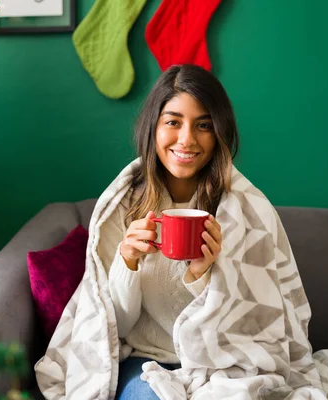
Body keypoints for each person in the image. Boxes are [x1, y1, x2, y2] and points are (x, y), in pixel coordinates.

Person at [96, 64, 239, 399]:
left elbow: (249, 323)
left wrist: (202, 274)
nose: (186, 139)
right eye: (173, 122)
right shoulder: (121, 207)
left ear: (219, 132)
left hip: (222, 364)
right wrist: (127, 261)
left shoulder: (240, 211)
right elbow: (112, 326)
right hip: (145, 362)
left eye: (203, 125)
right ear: (153, 128)